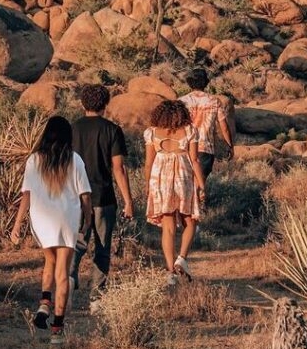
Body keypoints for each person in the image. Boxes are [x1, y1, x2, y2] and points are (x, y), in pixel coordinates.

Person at [11, 116, 92, 344]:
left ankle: (45, 304)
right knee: (63, 273)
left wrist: (17, 224)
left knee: (50, 261)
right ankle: (57, 328)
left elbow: (26, 195)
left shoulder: (33, 160)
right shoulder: (74, 160)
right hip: (66, 219)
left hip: (42, 220)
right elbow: (85, 195)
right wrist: (88, 220)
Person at [70, 84, 134, 299]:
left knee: (76, 241)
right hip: (103, 196)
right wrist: (128, 201)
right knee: (103, 246)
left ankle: (69, 278)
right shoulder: (112, 130)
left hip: (75, 196)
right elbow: (118, 168)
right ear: (106, 104)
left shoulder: (72, 129)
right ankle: (97, 294)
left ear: (82, 103)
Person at [143, 98, 205, 286]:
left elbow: (148, 163)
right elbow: (194, 160)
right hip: (183, 175)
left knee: (168, 226)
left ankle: (170, 271)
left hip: (160, 177)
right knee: (190, 219)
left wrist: (147, 185)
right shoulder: (189, 131)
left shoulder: (151, 133)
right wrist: (202, 184)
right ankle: (182, 258)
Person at [180, 67, 234, 180]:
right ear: (205, 83)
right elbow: (224, 128)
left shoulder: (181, 101)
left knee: (186, 184)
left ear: (190, 83)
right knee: (200, 184)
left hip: (184, 147)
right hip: (205, 148)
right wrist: (230, 145)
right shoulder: (214, 101)